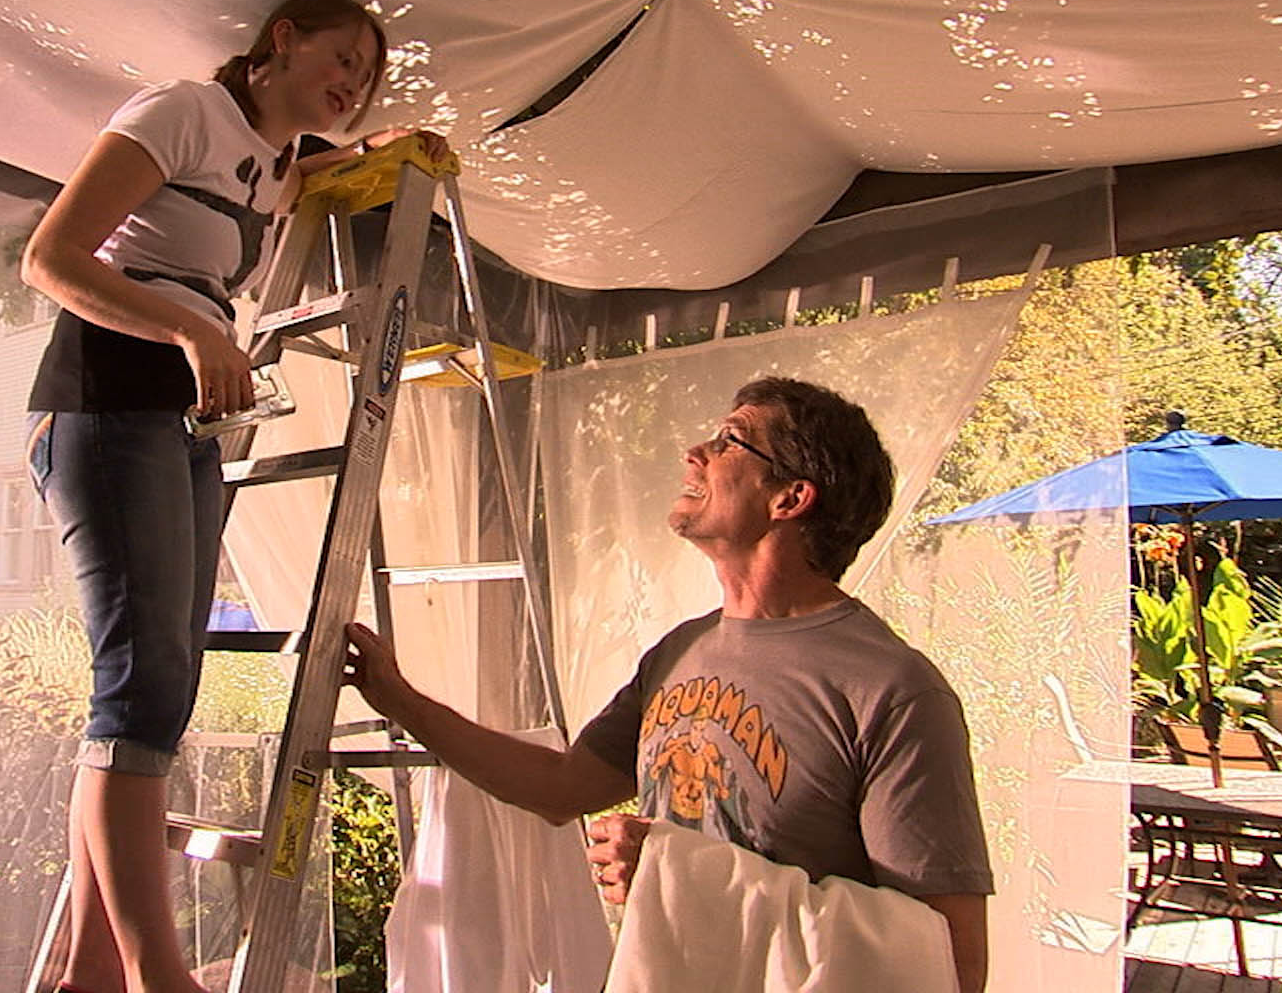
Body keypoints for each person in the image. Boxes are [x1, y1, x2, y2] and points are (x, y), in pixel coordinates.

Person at [20, 0, 449, 993]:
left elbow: (291, 176)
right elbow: (49, 259)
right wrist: (192, 328)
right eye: (342, 58)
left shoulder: (269, 164)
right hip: (105, 397)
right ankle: (156, 973)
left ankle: (90, 970)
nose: (353, 83)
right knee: (143, 687)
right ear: (280, 40)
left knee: (157, 687)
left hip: (185, 417)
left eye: (367, 77)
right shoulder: (181, 111)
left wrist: (371, 147)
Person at [346, 377, 993, 992]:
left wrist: (676, 877)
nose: (695, 452)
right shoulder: (679, 651)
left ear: (790, 499)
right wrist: (401, 701)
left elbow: (949, 964)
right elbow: (561, 787)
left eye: (730, 440)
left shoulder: (892, 691)